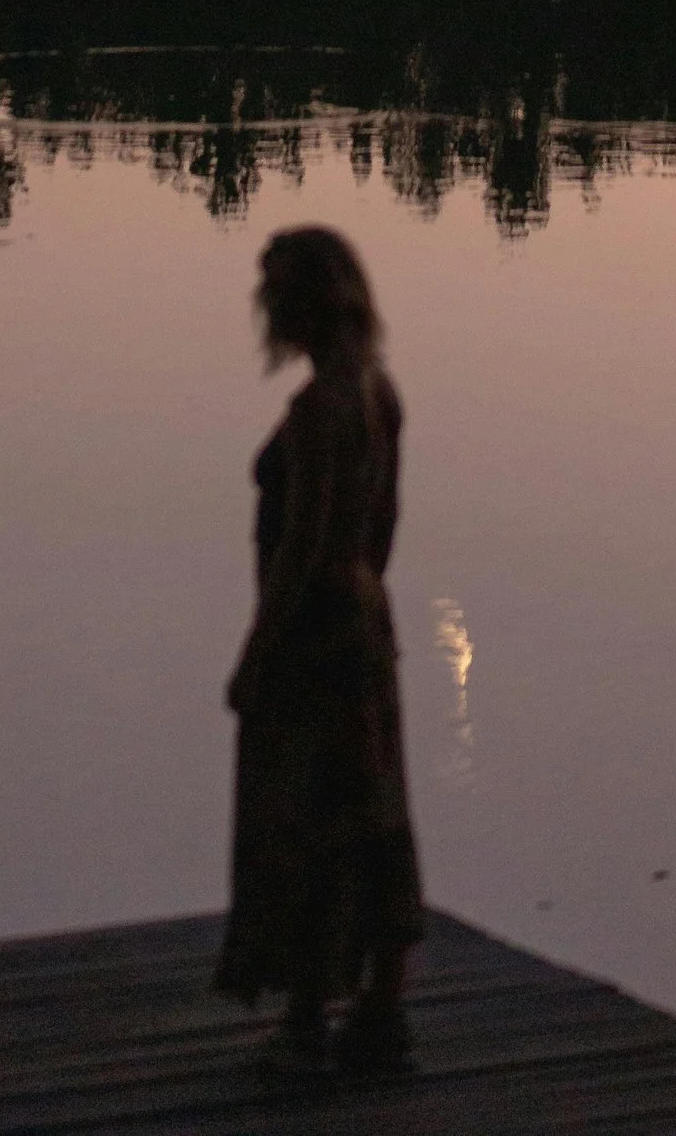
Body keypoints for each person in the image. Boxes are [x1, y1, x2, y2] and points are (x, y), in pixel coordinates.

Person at [215, 225, 425, 1085]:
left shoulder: (317, 411)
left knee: (299, 822)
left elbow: (302, 546)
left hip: (311, 638)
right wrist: (364, 595)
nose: (266, 310)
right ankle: (380, 1011)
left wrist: (256, 654)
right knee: (371, 814)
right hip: (366, 624)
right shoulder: (378, 392)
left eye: (274, 293)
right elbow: (383, 526)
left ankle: (305, 1024)